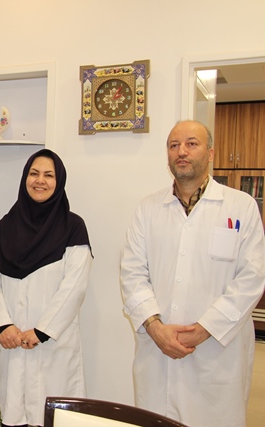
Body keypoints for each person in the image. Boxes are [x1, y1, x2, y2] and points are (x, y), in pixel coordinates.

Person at [120, 120, 265, 427]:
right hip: (158, 351)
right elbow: (132, 273)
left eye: (191, 144)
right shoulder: (148, 208)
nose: (181, 152)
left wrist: (203, 329)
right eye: (174, 146)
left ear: (210, 153)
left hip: (217, 354)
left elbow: (252, 278)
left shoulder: (241, 206)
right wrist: (155, 328)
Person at [0, 149, 92, 427]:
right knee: (14, 414)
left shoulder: (73, 227)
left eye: (48, 175)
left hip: (52, 346)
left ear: (59, 181)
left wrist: (42, 331)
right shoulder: (6, 225)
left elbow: (74, 286)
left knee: (53, 418)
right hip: (12, 342)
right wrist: (3, 325)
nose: (40, 180)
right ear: (25, 179)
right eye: (34, 173)